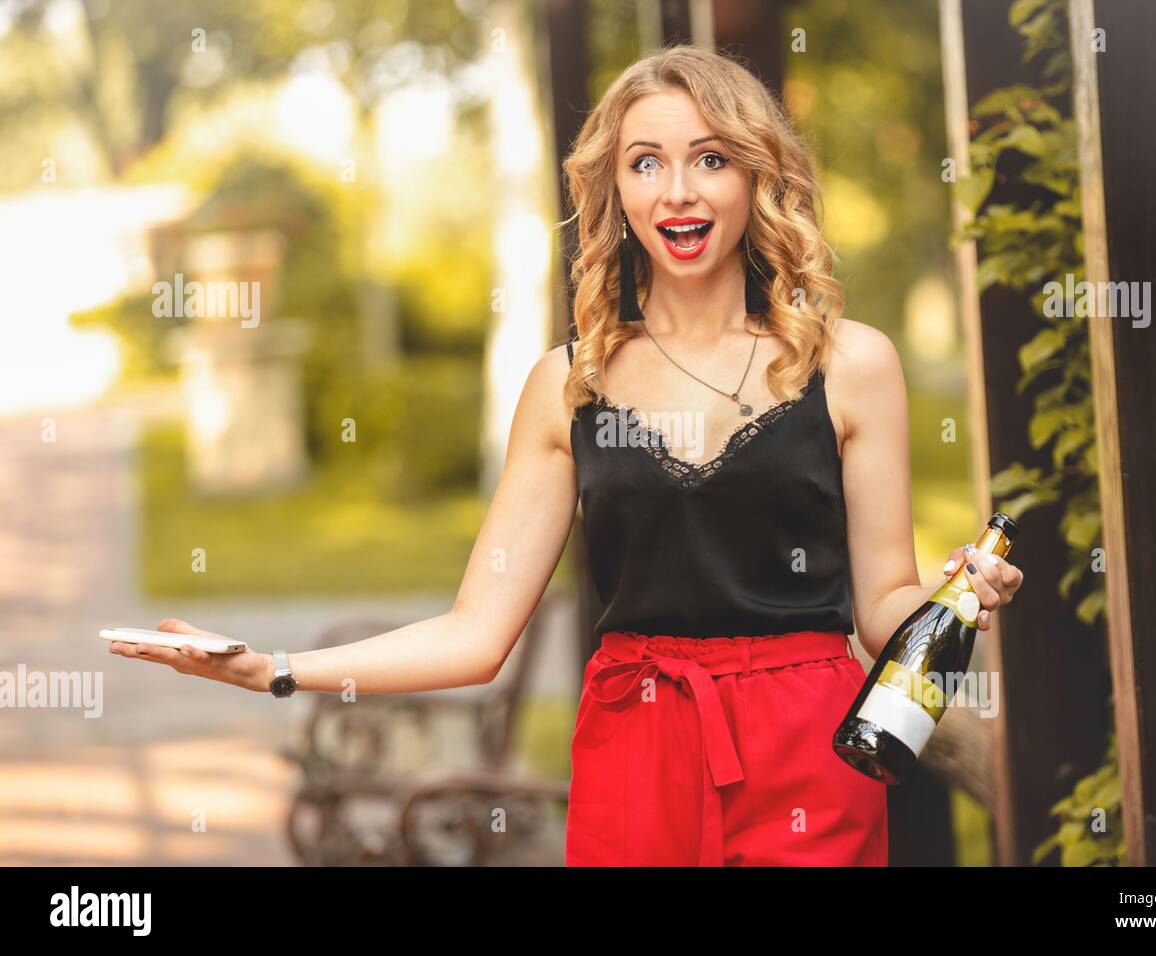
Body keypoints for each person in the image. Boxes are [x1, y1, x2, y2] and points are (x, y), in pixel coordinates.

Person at [107, 45, 1024, 866]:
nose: (679, 192)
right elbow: (476, 634)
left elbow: (884, 609)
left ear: (756, 179)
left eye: (711, 159)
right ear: (615, 193)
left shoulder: (851, 364)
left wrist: (956, 594)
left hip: (810, 756)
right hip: (638, 746)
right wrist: (271, 668)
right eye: (645, 163)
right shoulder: (568, 385)